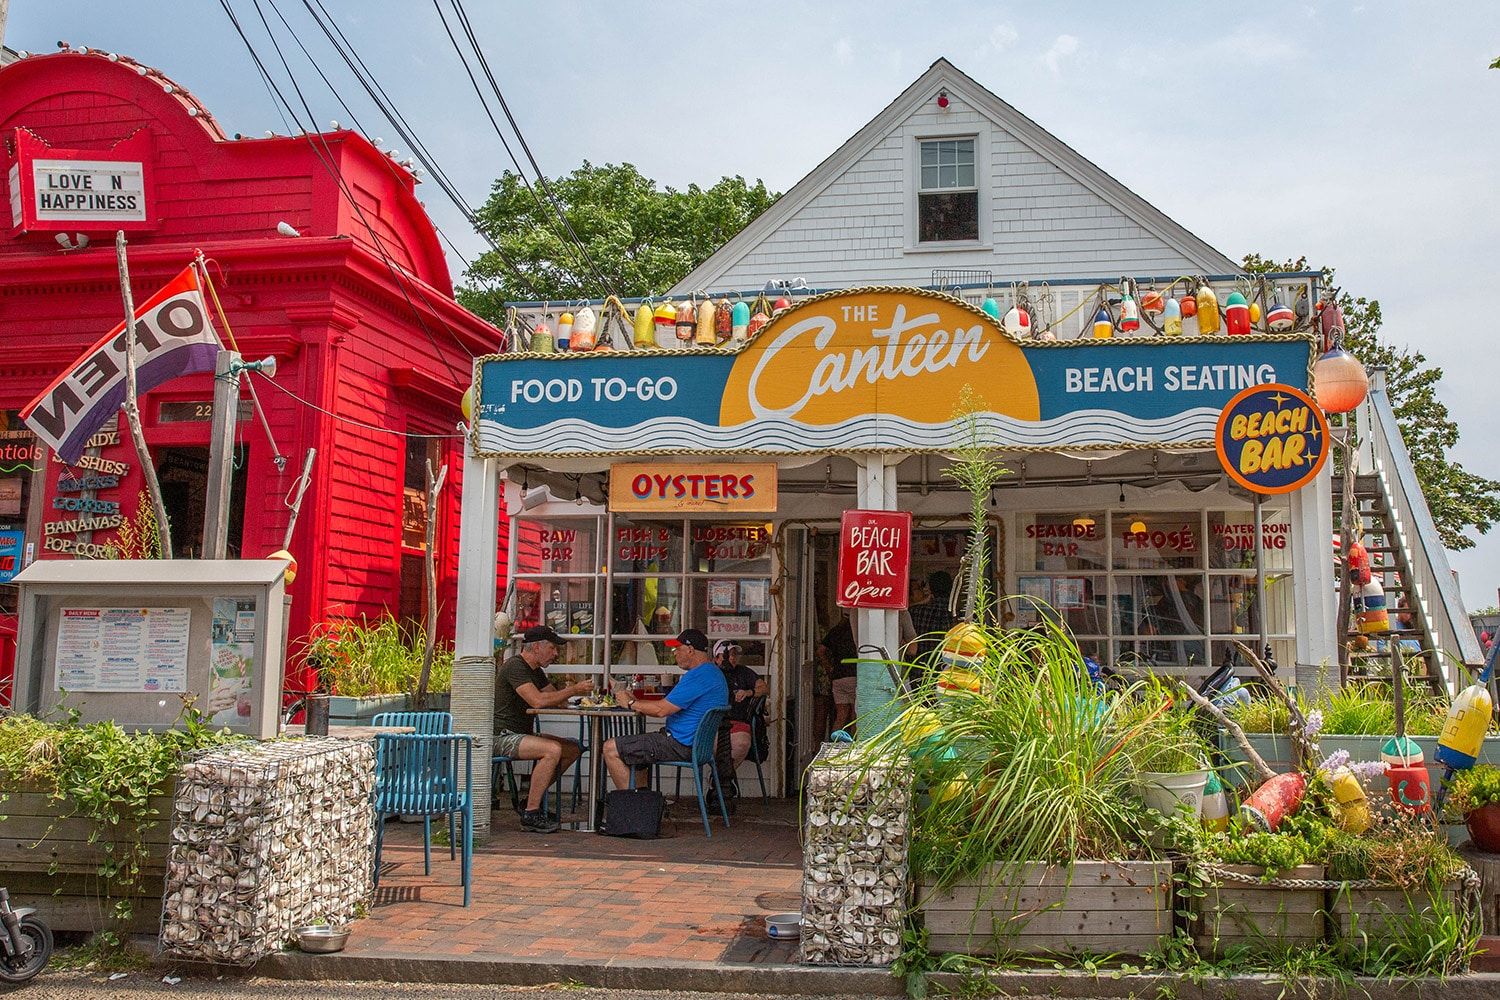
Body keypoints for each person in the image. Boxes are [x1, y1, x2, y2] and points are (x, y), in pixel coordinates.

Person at [493, 625, 593, 834]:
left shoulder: (536, 671)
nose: (556, 654)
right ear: (536, 647)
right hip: (501, 735)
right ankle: (531, 812)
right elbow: (537, 701)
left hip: (522, 734)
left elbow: (556, 699)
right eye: (552, 648)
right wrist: (573, 689)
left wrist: (572, 696)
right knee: (552, 749)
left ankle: (530, 798)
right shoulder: (515, 667)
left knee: (572, 749)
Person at [604, 628, 729, 790]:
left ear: (690, 650)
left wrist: (630, 704)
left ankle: (634, 810)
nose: (674, 653)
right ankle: (644, 803)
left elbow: (661, 710)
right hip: (694, 745)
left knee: (610, 747)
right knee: (637, 752)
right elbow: (665, 704)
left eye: (677, 649)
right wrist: (636, 701)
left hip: (680, 744)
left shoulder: (698, 676)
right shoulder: (713, 673)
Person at [716, 640, 769, 771]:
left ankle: (721, 777)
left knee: (741, 744)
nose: (732, 658)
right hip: (713, 722)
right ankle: (721, 779)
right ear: (716, 658)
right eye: (727, 655)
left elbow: (764, 688)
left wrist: (749, 692)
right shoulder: (711, 673)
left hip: (738, 721)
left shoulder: (743, 672)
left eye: (734, 655)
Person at [820, 613, 858, 735]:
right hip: (854, 675)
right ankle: (853, 747)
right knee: (855, 716)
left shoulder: (835, 631)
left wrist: (829, 668)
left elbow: (820, 650)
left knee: (841, 715)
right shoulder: (857, 631)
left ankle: (834, 745)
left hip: (838, 677)